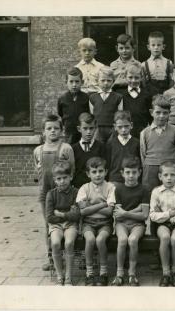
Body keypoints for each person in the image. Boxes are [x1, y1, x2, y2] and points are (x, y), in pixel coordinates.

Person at [33, 114, 75, 271]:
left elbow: (72, 170)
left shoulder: (66, 148)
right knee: (48, 224)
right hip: (45, 193)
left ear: (62, 131)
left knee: (65, 223)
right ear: (43, 132)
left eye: (56, 128)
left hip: (62, 192)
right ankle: (51, 257)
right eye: (49, 128)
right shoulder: (38, 150)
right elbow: (38, 170)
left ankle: (65, 255)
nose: (52, 131)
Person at [76, 157, 116, 286]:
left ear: (106, 171)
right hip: (88, 223)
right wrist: (101, 204)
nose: (97, 174)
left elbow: (110, 211)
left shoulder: (110, 187)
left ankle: (103, 272)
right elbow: (82, 211)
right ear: (88, 174)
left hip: (105, 223)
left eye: (100, 171)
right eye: (94, 172)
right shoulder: (84, 188)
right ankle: (90, 273)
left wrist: (91, 205)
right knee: (90, 239)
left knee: (100, 240)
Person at [111, 156, 150, 286]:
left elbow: (144, 216)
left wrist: (126, 213)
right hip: (121, 225)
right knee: (122, 240)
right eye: (128, 172)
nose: (131, 176)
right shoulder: (118, 189)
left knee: (132, 240)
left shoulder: (144, 189)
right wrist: (136, 210)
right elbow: (118, 216)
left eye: (134, 172)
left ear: (139, 172)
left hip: (138, 225)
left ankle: (132, 273)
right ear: (122, 173)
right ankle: (119, 274)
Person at [149, 161, 175, 287]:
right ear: (160, 177)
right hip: (162, 225)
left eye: (172, 175)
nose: (169, 178)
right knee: (165, 238)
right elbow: (153, 215)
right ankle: (166, 273)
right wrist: (170, 214)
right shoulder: (156, 192)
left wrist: (167, 217)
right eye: (165, 175)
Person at [45, 161, 80, 286]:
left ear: (70, 177)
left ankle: (68, 277)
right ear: (55, 180)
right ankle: (60, 276)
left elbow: (76, 215)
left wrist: (60, 214)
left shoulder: (76, 192)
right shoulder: (51, 194)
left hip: (71, 225)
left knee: (69, 242)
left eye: (65, 178)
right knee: (55, 243)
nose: (62, 181)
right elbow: (49, 217)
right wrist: (67, 216)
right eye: (59, 179)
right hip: (56, 225)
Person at [140, 94, 175, 191]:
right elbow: (143, 154)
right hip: (150, 170)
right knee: (150, 194)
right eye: (158, 112)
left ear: (169, 113)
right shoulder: (144, 133)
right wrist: (148, 167)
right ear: (151, 112)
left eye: (165, 113)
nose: (161, 116)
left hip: (169, 169)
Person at [71, 112, 106, 189]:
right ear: (79, 129)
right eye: (85, 128)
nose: (89, 132)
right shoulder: (72, 149)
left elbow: (105, 169)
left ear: (95, 128)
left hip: (97, 188)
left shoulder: (101, 147)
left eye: (91, 128)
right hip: (78, 188)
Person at [119, 63, 154, 138]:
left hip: (142, 132)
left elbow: (151, 116)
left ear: (141, 77)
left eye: (136, 78)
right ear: (125, 77)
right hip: (125, 132)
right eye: (130, 77)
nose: (133, 80)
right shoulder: (120, 95)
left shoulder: (147, 95)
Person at [89, 67, 123, 144]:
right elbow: (92, 115)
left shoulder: (118, 97)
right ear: (97, 81)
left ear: (113, 82)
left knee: (111, 147)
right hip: (98, 129)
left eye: (109, 80)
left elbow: (120, 114)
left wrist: (116, 128)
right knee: (99, 147)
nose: (106, 83)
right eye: (103, 80)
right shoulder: (92, 97)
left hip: (112, 128)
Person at [106, 111, 141, 184]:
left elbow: (140, 163)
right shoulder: (110, 143)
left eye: (126, 126)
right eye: (120, 127)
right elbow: (108, 164)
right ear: (115, 127)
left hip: (132, 180)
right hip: (115, 180)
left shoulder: (137, 143)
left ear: (131, 125)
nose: (123, 130)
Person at [57, 67, 90, 144]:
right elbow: (61, 113)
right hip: (69, 133)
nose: (74, 85)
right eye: (71, 81)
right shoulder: (62, 99)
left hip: (83, 132)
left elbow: (89, 114)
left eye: (77, 81)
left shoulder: (86, 98)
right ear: (66, 82)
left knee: (84, 151)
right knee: (69, 152)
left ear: (82, 82)